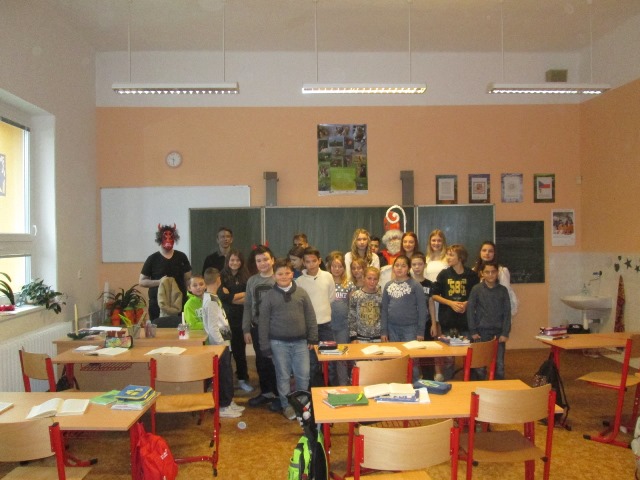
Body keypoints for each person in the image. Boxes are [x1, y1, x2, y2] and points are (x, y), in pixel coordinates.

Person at [258, 258, 318, 420]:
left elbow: (310, 316)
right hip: (278, 344)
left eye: (287, 273)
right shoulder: (269, 296)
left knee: (303, 375)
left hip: (301, 343)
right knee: (283, 376)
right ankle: (287, 406)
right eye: (280, 274)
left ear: (292, 274)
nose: (284, 276)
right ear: (274, 276)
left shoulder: (302, 293)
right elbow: (263, 323)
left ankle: (302, 405)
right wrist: (264, 346)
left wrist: (313, 338)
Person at [431, 244, 480, 380]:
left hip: (466, 322)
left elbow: (477, 296)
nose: (448, 257)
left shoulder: (471, 275)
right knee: (448, 358)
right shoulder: (444, 274)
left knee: (469, 356)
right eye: (447, 254)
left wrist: (467, 303)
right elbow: (434, 295)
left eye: (451, 255)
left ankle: (469, 382)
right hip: (448, 321)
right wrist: (450, 303)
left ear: (460, 257)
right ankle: (448, 381)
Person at [202, 268, 245, 418]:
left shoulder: (212, 297)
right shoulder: (210, 300)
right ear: (218, 280)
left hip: (224, 342)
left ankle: (228, 401)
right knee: (224, 375)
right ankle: (224, 405)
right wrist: (221, 345)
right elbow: (213, 327)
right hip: (219, 345)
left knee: (227, 373)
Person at [242, 245, 280, 411]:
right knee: (261, 361)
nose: (263, 263)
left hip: (277, 328)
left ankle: (279, 395)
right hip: (258, 328)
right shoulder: (252, 281)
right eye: (259, 261)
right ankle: (266, 393)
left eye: (265, 259)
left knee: (276, 362)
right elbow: (248, 305)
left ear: (272, 260)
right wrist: (246, 329)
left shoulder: (279, 278)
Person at [380, 255, 428, 381]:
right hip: (392, 328)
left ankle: (415, 384)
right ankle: (398, 384)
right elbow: (384, 309)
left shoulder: (415, 285)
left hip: (410, 329)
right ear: (393, 268)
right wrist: (384, 331)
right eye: (397, 265)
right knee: (395, 359)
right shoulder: (388, 285)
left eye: (403, 266)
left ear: (408, 268)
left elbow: (422, 309)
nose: (399, 268)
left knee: (412, 360)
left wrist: (420, 331)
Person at [296, 246, 335, 387]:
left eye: (314, 261)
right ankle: (313, 389)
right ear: (303, 262)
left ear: (319, 261)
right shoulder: (299, 281)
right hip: (309, 327)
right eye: (307, 262)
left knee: (330, 359)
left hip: (326, 325)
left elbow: (331, 297)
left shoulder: (328, 276)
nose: (311, 264)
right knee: (312, 362)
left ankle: (330, 387)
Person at [467, 261, 511, 380]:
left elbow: (507, 312)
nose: (490, 275)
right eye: (487, 272)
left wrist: (505, 332)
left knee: (499, 365)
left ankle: (498, 388)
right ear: (482, 273)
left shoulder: (503, 290)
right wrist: (473, 331)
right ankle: (481, 387)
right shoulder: (476, 289)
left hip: (498, 333)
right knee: (480, 367)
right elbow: (470, 310)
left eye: (493, 272)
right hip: (481, 333)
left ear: (497, 273)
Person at [218, 249, 253, 393]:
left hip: (240, 319)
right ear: (228, 261)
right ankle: (225, 380)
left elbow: (249, 298)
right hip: (224, 321)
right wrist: (240, 295)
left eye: (238, 260)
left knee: (239, 351)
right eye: (232, 260)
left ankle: (242, 378)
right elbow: (222, 297)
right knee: (226, 351)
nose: (235, 263)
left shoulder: (247, 276)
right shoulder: (221, 276)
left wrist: (231, 297)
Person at [139, 224, 192, 320]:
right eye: (165, 237)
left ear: (174, 239)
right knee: (158, 327)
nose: (168, 240)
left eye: (171, 237)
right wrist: (160, 282)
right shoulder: (152, 258)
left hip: (179, 303)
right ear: (160, 239)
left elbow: (188, 279)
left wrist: (191, 294)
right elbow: (142, 281)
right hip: (157, 305)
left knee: (179, 327)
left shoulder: (182, 257)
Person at [326, 251, 356, 385]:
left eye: (340, 266)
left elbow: (352, 306)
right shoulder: (326, 283)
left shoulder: (349, 285)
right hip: (328, 326)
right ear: (329, 267)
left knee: (341, 357)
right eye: (334, 266)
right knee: (329, 357)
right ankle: (331, 384)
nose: (337, 269)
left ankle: (343, 384)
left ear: (344, 268)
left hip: (343, 327)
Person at [472, 241, 518, 317]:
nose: (487, 253)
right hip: (479, 314)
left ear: (494, 254)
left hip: (497, 312)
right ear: (480, 252)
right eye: (484, 250)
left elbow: (505, 293)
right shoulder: (474, 271)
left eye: (490, 251)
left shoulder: (501, 271)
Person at [425, 229, 448, 380]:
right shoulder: (426, 259)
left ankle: (440, 371)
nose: (436, 243)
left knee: (441, 337)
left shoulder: (447, 259)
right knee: (431, 336)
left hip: (443, 300)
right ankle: (430, 370)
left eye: (439, 240)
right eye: (433, 240)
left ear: (443, 242)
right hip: (429, 301)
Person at [349, 267, 383, 343]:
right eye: (369, 278)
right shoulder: (356, 295)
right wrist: (353, 337)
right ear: (363, 278)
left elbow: (384, 316)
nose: (372, 281)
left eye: (375, 279)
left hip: (378, 337)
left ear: (378, 280)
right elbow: (352, 317)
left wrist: (385, 333)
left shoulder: (381, 296)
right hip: (360, 337)